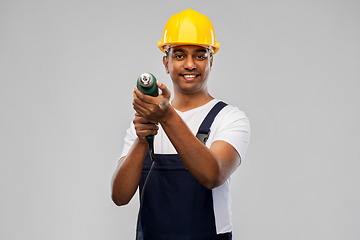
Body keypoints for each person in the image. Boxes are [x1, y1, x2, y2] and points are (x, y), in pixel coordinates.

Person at [111, 9, 250, 240]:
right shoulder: (144, 126)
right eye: (179, 55)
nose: (189, 64)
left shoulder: (229, 118)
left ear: (211, 61)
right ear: (165, 63)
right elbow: (119, 196)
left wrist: (166, 116)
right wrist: (142, 139)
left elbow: (212, 175)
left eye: (200, 55)